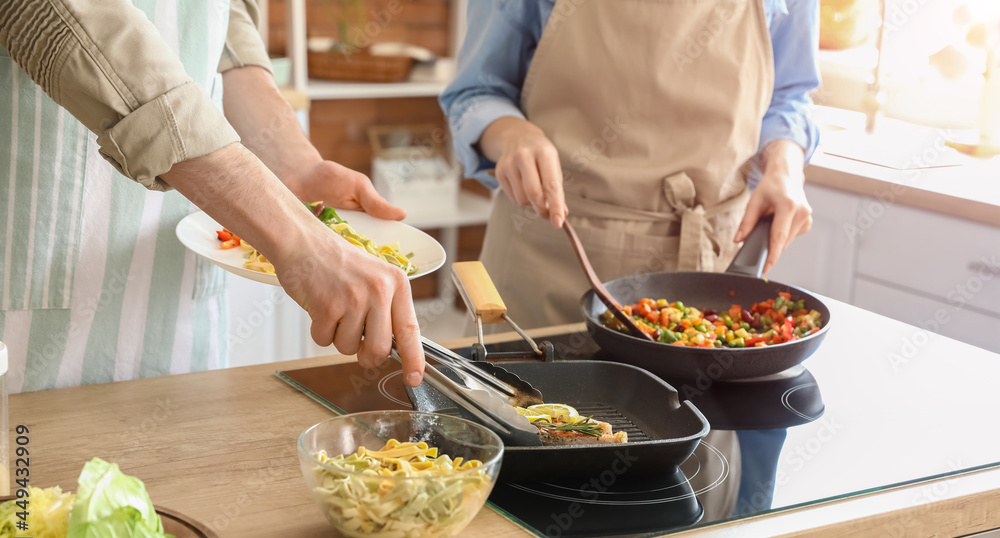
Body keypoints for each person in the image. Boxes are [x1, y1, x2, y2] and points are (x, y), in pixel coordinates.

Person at [0, 0, 425, 393]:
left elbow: (222, 18)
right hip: (33, 270)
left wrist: (292, 163)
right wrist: (300, 239)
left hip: (179, 313)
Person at [441, 0, 821, 328]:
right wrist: (513, 135)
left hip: (712, 274)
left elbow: (789, 95)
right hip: (551, 264)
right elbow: (477, 91)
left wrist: (785, 165)